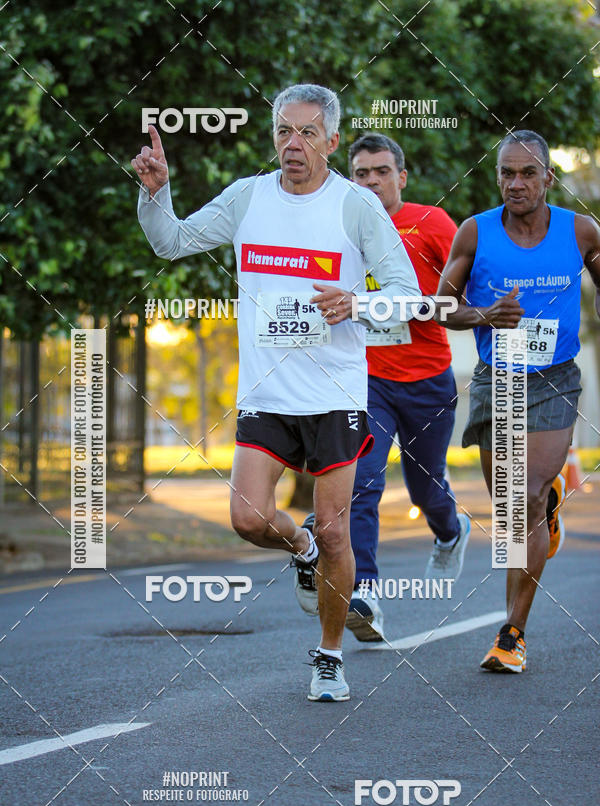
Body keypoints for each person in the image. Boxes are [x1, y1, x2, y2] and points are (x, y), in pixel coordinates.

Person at [132, 84, 420, 701]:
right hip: (266, 393)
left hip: (336, 393)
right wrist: (156, 193)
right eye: (284, 132)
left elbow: (408, 294)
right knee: (247, 517)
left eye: (308, 133)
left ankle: (329, 657)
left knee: (340, 530)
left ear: (333, 141)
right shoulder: (248, 197)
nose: (293, 144)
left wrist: (359, 302)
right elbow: (172, 241)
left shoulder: (355, 207)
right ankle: (301, 545)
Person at [436, 129, 600, 672]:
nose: (516, 183)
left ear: (548, 177)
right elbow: (441, 309)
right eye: (507, 173)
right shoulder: (475, 233)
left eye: (528, 173)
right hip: (496, 378)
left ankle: (512, 634)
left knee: (524, 494)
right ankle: (544, 508)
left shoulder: (579, 231)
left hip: (554, 377)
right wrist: (487, 316)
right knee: (511, 511)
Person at [345, 133, 470, 642]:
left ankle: (449, 529)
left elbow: (461, 298)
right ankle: (367, 593)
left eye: (381, 171)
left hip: (428, 382)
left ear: (402, 176)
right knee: (363, 481)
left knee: (424, 486)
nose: (371, 181)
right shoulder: (342, 226)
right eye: (361, 173)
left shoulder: (432, 223)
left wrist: (418, 305)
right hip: (368, 378)